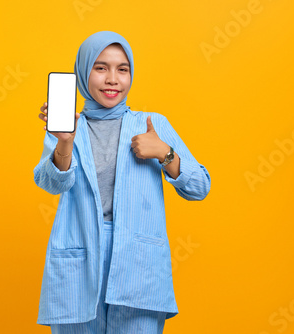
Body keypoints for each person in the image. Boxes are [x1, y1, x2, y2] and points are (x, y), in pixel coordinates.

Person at [34, 31, 211, 334]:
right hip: (80, 258)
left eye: (122, 69)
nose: (113, 79)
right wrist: (64, 142)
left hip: (138, 263)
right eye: (100, 68)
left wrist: (165, 153)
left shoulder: (151, 124)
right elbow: (51, 183)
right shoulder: (68, 127)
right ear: (83, 72)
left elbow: (199, 187)